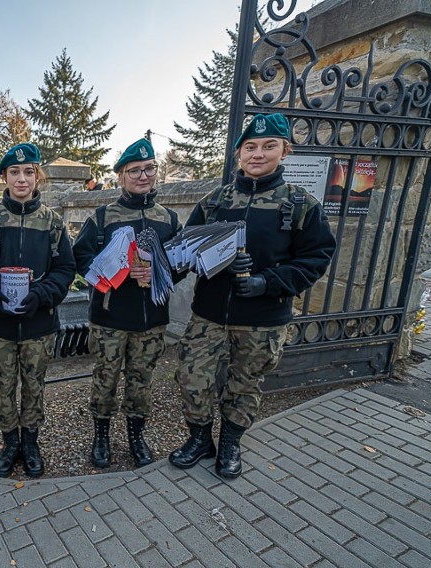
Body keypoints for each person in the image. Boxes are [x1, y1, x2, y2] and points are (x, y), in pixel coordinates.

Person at [169, 113, 336, 479]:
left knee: (244, 383)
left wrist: (268, 282)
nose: (258, 154)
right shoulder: (215, 202)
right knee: (191, 379)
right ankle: (200, 440)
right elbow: (185, 251)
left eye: (268, 146)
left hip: (263, 318)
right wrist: (156, 266)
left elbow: (316, 257)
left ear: (284, 151)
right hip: (209, 313)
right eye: (250, 147)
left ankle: (230, 443)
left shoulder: (300, 204)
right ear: (238, 154)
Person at [73, 138, 183, 469]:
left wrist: (160, 272)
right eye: (134, 170)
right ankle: (101, 435)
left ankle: (136, 435)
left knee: (141, 380)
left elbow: (181, 262)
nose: (142, 176)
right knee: (105, 378)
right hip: (109, 317)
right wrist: (115, 272)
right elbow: (80, 257)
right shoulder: (104, 216)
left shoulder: (169, 218)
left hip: (151, 319)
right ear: (121, 176)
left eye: (149, 168)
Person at [0, 143, 75, 478]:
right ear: (4, 176)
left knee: (34, 385)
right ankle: (9, 442)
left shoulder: (52, 222)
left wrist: (42, 294)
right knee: (3, 386)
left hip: (38, 323)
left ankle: (31, 442)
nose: (21, 178)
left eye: (29, 171)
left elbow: (65, 268)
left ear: (38, 177)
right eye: (14, 172)